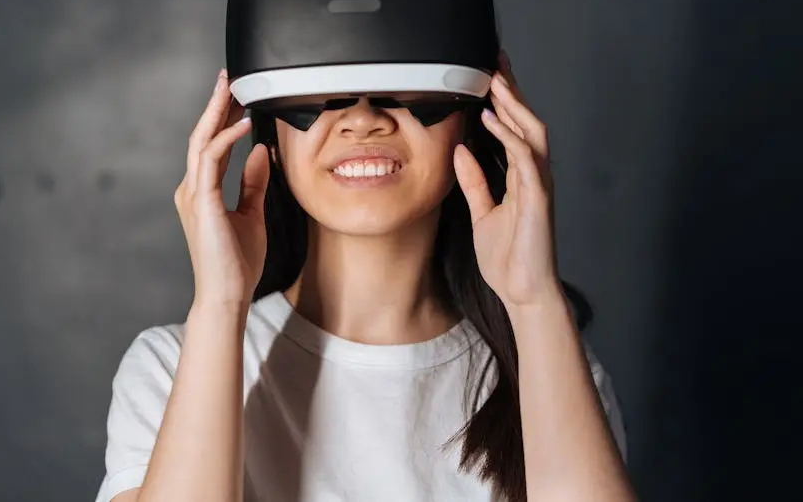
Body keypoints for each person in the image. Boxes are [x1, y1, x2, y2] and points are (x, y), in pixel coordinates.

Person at [95, 51, 636, 501]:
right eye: (318, 91)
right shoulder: (169, 368)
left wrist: (534, 301)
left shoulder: (549, 369)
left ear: (471, 121)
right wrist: (219, 303)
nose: (363, 119)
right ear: (274, 141)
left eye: (407, 82)